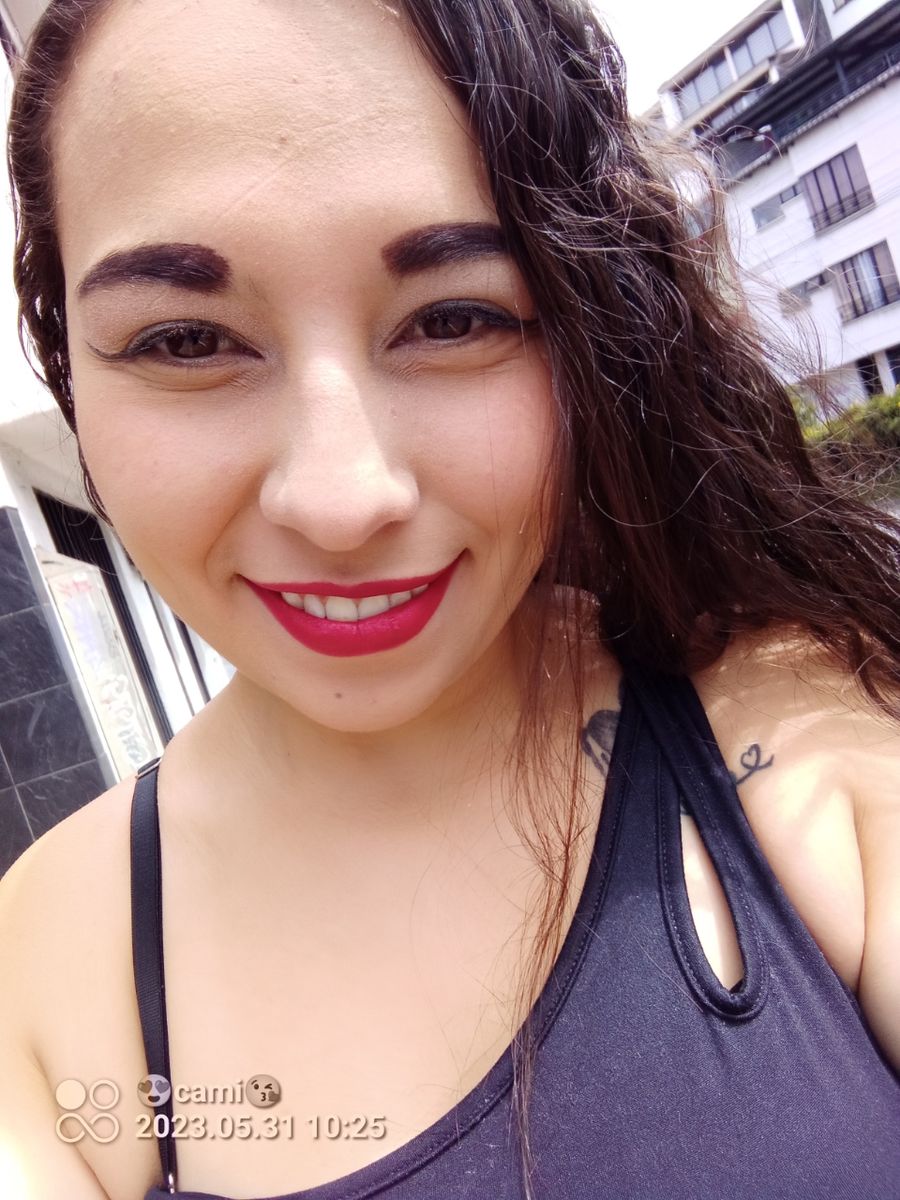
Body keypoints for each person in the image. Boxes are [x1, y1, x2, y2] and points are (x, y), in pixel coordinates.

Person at [1, 1, 899, 1197]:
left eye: (455, 318)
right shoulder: (45, 973)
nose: (341, 499)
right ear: (69, 368)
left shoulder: (806, 737)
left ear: (588, 334)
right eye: (184, 341)